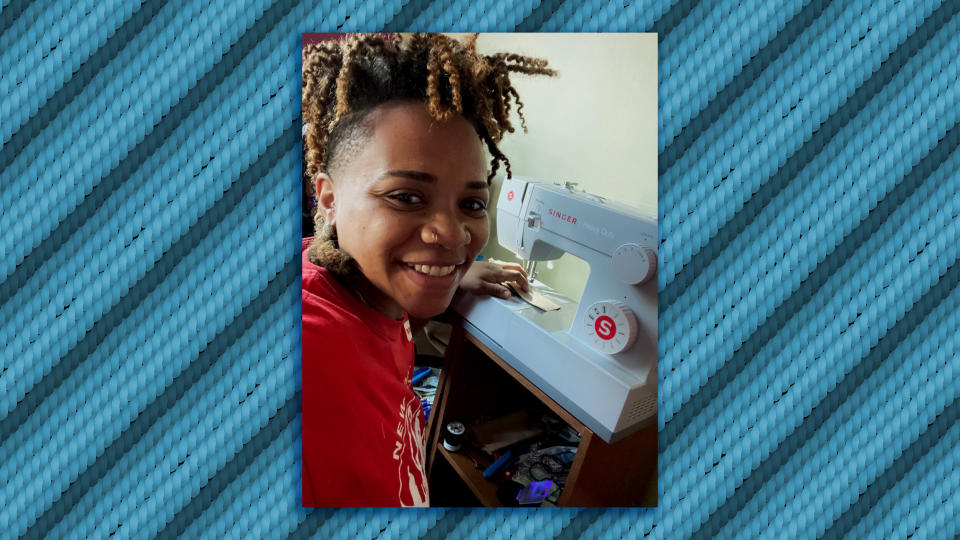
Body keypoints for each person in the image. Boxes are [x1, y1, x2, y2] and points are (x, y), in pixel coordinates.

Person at [301, 33, 554, 507]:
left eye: (472, 203)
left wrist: (456, 276)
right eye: (406, 197)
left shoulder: (370, 289)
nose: (454, 235)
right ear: (329, 200)